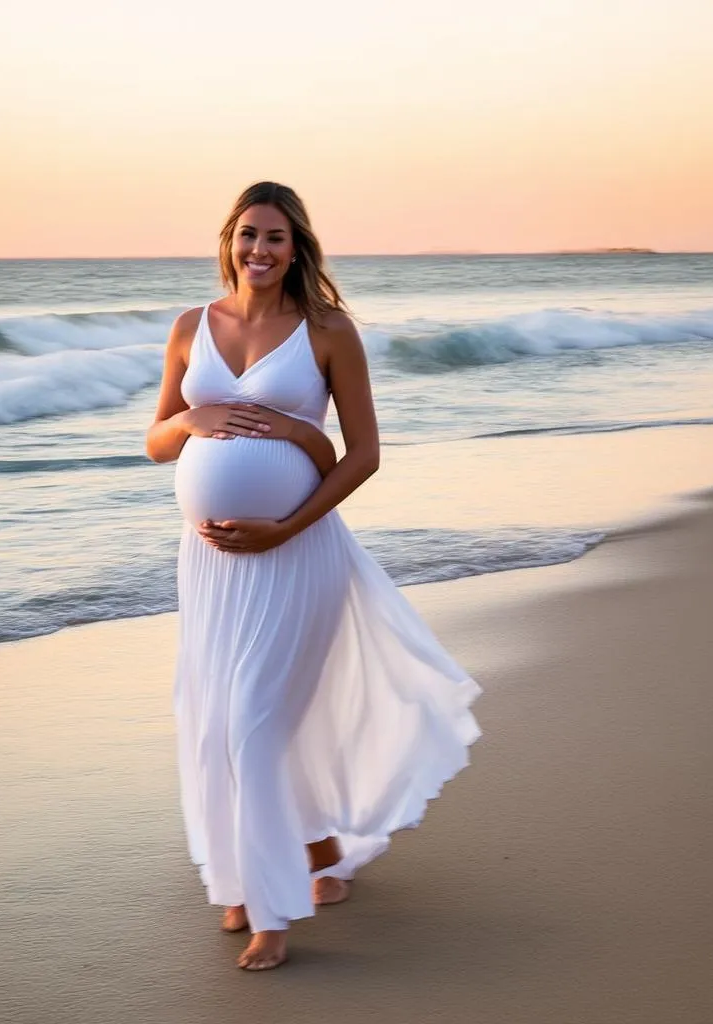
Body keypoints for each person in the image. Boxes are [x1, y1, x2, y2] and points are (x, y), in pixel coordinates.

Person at [146, 181, 481, 971]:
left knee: (253, 726)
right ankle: (287, 858)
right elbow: (156, 442)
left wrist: (290, 500)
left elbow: (359, 453)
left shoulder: (327, 331)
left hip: (296, 554)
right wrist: (191, 420)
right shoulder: (192, 326)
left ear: (298, 249)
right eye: (247, 235)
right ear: (229, 239)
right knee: (215, 722)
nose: (258, 251)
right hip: (209, 565)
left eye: (275, 239)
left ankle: (270, 912)